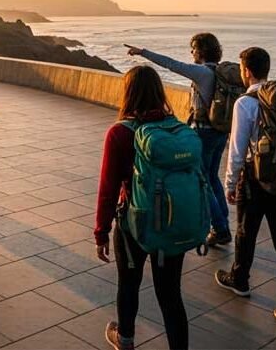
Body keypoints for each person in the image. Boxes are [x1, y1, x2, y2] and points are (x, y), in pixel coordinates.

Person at [95, 65, 189, 350]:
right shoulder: (177, 129)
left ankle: (125, 339)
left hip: (133, 224)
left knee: (129, 284)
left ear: (128, 93)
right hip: (172, 222)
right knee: (170, 294)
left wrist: (101, 232)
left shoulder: (120, 133)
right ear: (159, 92)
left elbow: (108, 188)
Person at [214, 47, 276, 324]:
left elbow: (237, 148)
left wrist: (230, 182)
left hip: (254, 179)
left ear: (246, 71)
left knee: (246, 231)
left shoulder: (246, 102)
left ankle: (240, 279)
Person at [127, 33, 232, 246]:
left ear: (201, 51)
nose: (191, 52)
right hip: (220, 132)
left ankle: (220, 228)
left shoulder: (202, 72)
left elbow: (171, 64)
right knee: (212, 178)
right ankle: (223, 224)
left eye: (193, 48)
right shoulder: (221, 73)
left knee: (203, 181)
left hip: (204, 133)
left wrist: (143, 52)